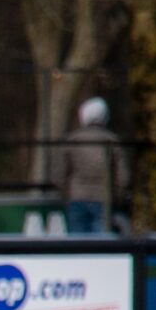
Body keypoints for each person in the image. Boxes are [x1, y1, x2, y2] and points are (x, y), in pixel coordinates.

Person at [50, 97, 126, 234]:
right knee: (102, 246)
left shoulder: (72, 140)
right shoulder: (112, 141)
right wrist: (117, 196)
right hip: (103, 200)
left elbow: (58, 175)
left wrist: (65, 195)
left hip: (76, 199)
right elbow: (123, 177)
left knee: (78, 246)